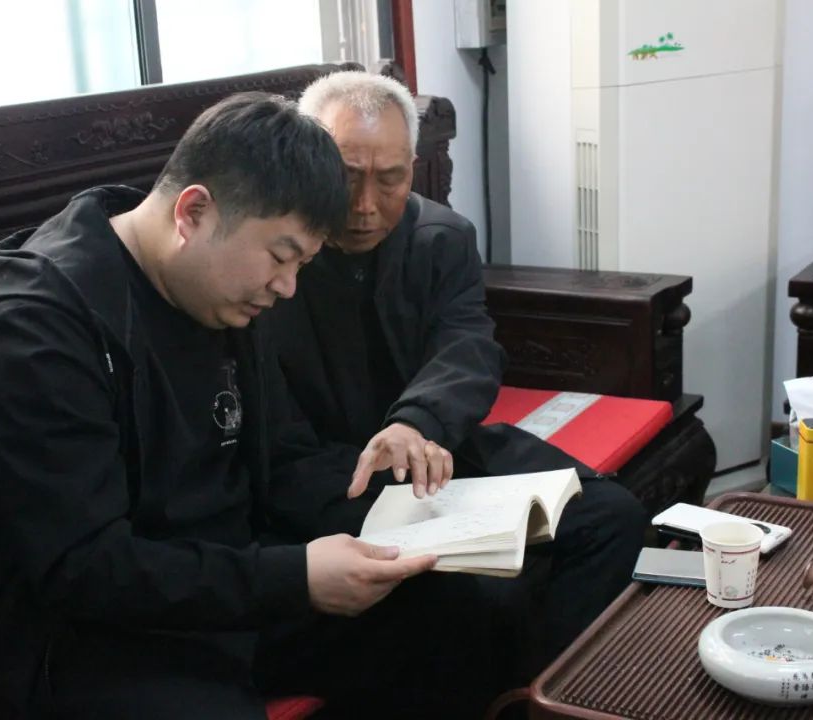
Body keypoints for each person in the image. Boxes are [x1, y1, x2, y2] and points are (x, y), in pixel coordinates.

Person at [0, 92, 501, 720]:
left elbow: (284, 457)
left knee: (457, 606)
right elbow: (83, 566)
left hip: (216, 583)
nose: (287, 287)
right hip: (73, 630)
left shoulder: (217, 290)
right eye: (281, 257)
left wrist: (416, 520)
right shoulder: (36, 330)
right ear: (192, 212)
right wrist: (294, 577)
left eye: (303, 264)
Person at [262, 71, 648, 679]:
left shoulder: (440, 237)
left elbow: (467, 345)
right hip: (328, 479)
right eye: (346, 176)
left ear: (413, 169)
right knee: (478, 591)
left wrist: (417, 424)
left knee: (611, 517)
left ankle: (552, 694)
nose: (364, 206)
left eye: (389, 179)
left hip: (440, 452)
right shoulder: (270, 254)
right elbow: (270, 431)